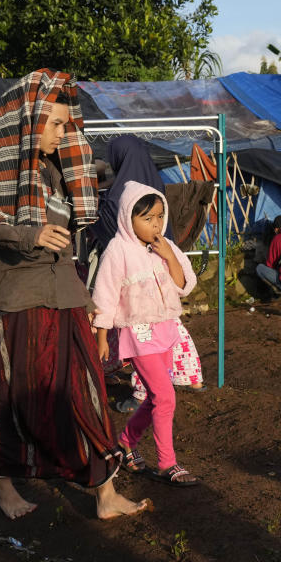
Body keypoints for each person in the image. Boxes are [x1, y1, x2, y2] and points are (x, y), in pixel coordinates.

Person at [0, 68, 149, 521]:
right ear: (29, 120)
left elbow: (67, 246)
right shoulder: (0, 174)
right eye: (55, 124)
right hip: (20, 298)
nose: (63, 133)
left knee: (86, 392)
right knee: (16, 393)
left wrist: (90, 306)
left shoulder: (58, 172)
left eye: (67, 125)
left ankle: (105, 494)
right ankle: (3, 482)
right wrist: (29, 235)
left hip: (66, 297)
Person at [92, 181, 200, 486]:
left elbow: (184, 284)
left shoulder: (166, 246)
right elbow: (105, 294)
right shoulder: (118, 249)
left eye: (160, 217)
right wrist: (101, 338)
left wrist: (168, 254)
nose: (156, 224)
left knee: (156, 396)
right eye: (148, 218)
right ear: (129, 217)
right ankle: (168, 464)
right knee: (166, 396)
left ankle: (125, 443)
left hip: (165, 330)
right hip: (138, 335)